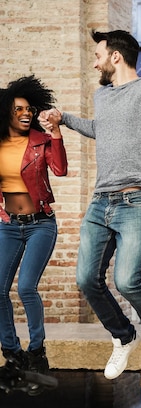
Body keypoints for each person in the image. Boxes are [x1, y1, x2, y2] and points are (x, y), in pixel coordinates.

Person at [40, 20, 141, 380]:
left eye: (99, 56)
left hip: (136, 202)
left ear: (116, 57)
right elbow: (103, 130)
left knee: (128, 280)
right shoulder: (102, 97)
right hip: (102, 203)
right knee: (86, 279)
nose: (95, 63)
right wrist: (64, 119)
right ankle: (123, 337)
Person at [0, 75, 67, 383]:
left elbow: (60, 169)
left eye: (29, 109)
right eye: (18, 110)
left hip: (40, 224)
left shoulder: (40, 141)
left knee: (26, 287)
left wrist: (55, 134)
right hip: (9, 225)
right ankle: (13, 354)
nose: (25, 114)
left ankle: (37, 353)